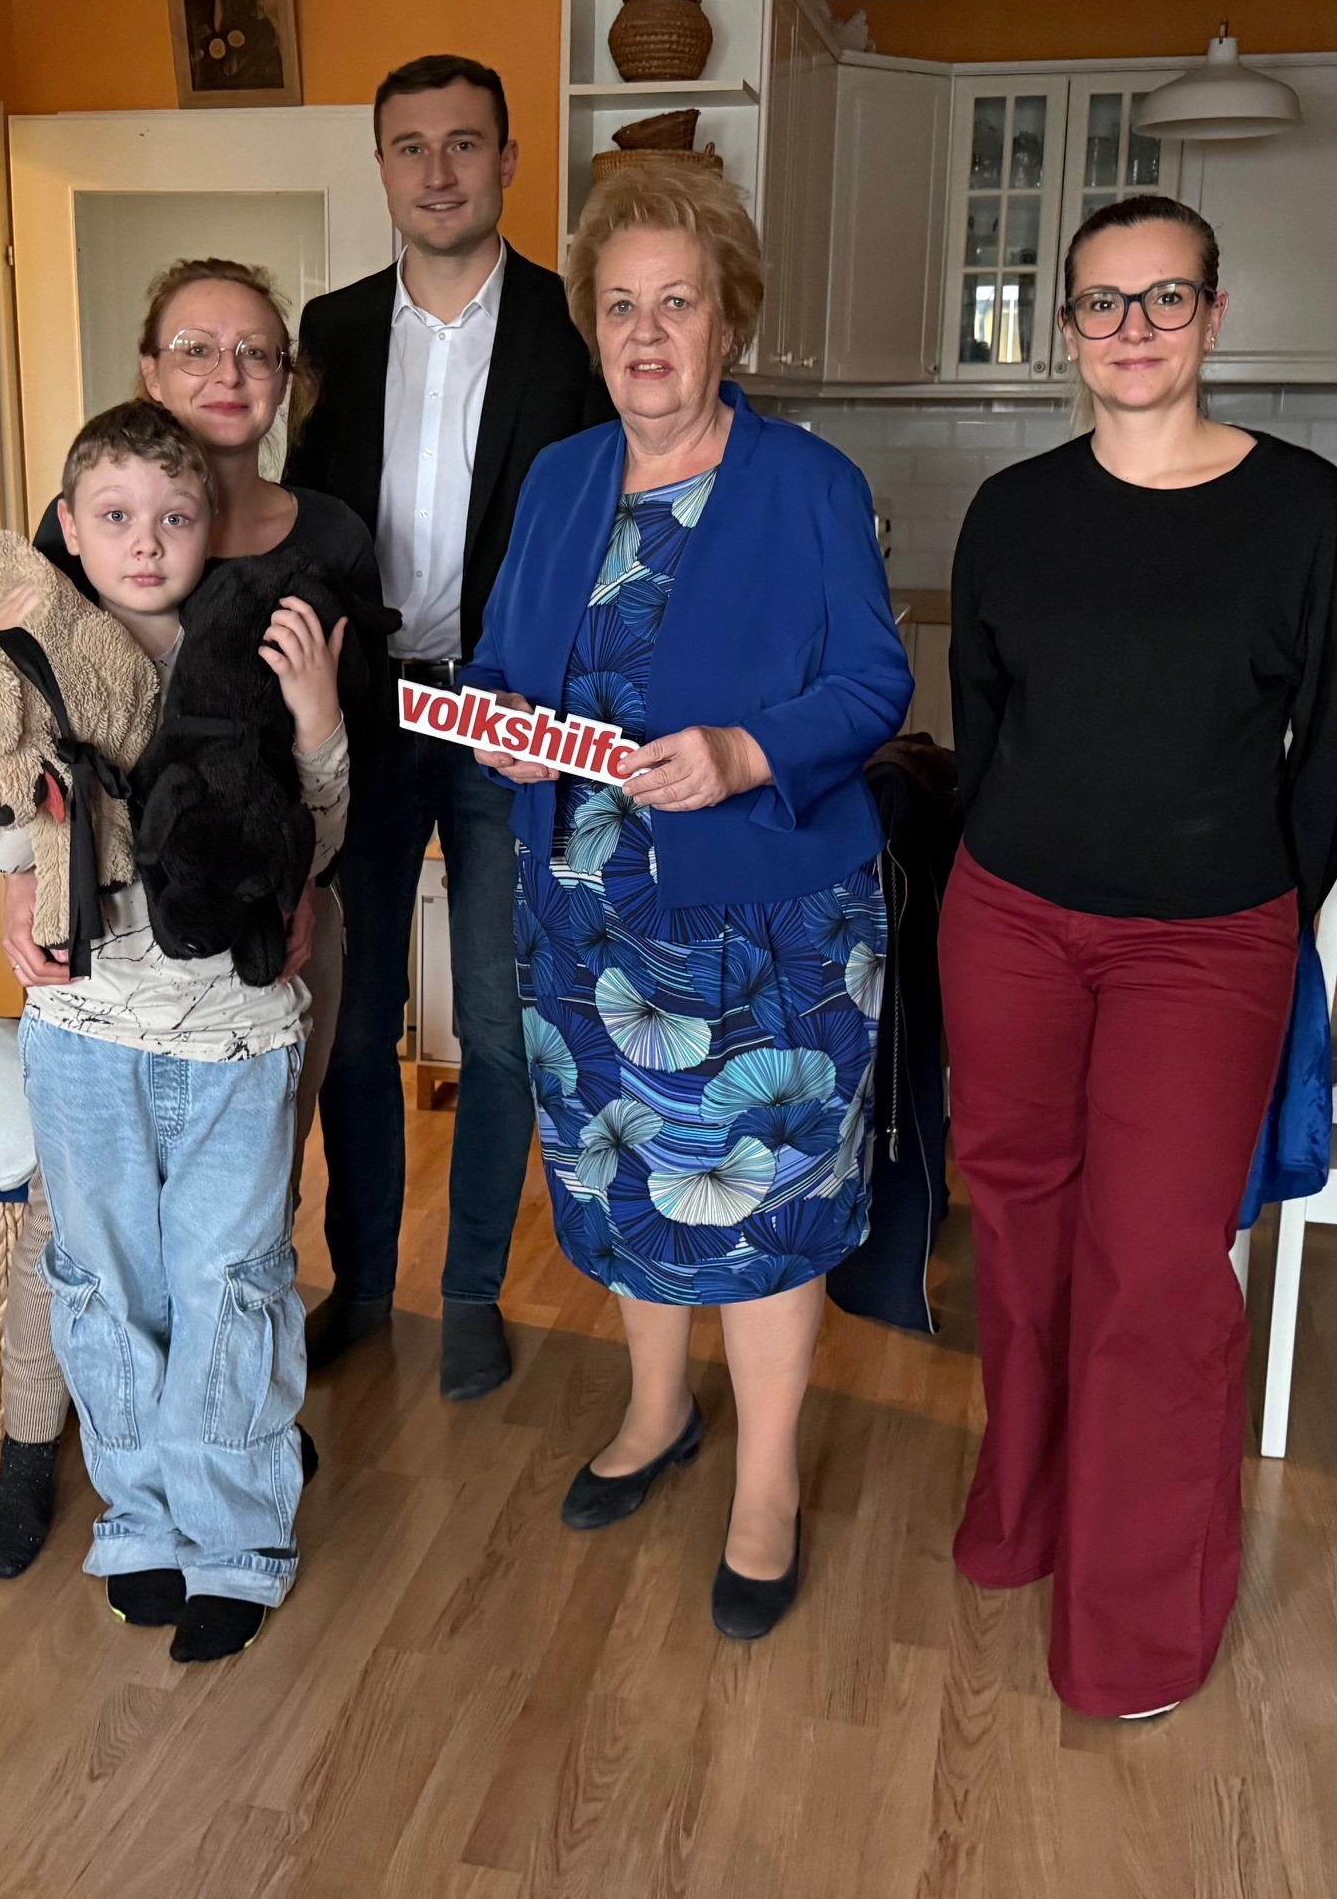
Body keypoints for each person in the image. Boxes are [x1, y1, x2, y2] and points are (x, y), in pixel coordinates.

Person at [939, 194, 1337, 1718]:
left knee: (1153, 1268)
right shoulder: (1010, 510)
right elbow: (983, 716)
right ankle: (1025, 1507)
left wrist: (1266, 893)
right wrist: (1016, 849)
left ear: (1212, 314)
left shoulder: (1303, 510)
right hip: (1009, 919)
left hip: (1203, 944)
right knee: (1018, 1234)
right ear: (1063, 326)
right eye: (1102, 301)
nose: (1131, 327)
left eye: (1163, 298)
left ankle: (1132, 1628)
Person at [465, 159, 911, 1639]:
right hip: (583, 917)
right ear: (592, 328)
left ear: (729, 321)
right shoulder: (559, 477)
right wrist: (494, 720)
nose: (646, 335)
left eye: (677, 303)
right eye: (619, 307)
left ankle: (767, 1482)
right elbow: (504, 658)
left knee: (760, 1201)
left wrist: (744, 752)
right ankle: (657, 1412)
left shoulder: (807, 484)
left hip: (770, 921)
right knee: (621, 1183)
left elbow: (874, 683)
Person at [0, 259, 381, 1584]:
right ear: (150, 367)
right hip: (98, 989)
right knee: (87, 1237)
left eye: (254, 350)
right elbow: (11, 763)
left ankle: (228, 1468)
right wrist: (16, 886)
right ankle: (49, 1454)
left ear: (286, 381)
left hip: (247, 975)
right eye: (195, 346)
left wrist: (297, 883)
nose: (225, 372)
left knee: (235, 1234)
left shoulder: (325, 540)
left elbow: (325, 777)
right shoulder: (76, 548)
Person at [285, 54, 612, 1401]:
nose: (436, 170)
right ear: (380, 167)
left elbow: (603, 529)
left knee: (496, 1018)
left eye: (463, 143)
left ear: (507, 161)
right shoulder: (329, 330)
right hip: (364, 710)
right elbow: (299, 523)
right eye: (409, 146)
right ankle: (364, 1283)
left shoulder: (572, 328)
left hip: (505, 712)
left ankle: (472, 1288)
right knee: (357, 1016)